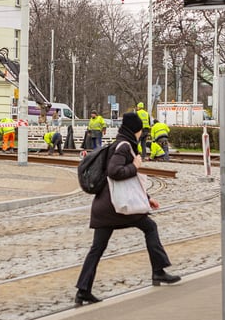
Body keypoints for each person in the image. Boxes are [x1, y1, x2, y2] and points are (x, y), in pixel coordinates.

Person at [74, 111, 181, 305]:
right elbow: (115, 173)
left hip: (105, 207)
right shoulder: (124, 147)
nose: (141, 134)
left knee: (97, 248)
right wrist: (135, 165)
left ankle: (83, 290)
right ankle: (158, 272)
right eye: (140, 130)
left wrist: (147, 198)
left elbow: (128, 183)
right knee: (150, 227)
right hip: (116, 207)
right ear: (135, 130)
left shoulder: (120, 143)